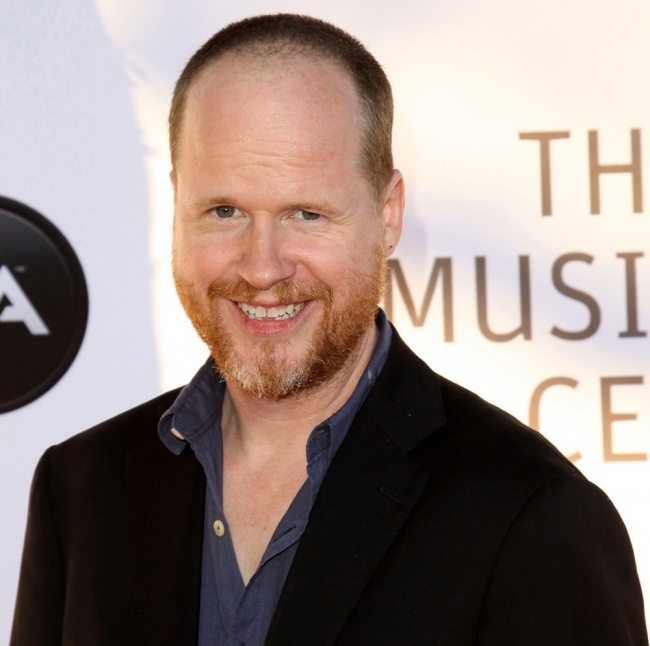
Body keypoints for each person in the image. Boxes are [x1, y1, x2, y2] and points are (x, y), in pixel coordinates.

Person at [10, 13, 648, 646]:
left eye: (307, 215)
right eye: (225, 210)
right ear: (178, 206)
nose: (262, 268)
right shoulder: (81, 491)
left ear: (388, 216)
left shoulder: (532, 517)